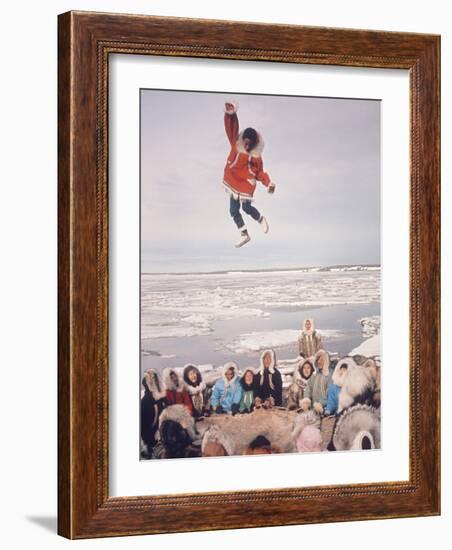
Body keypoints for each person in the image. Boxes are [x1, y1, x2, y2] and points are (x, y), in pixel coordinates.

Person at [223, 100, 276, 248]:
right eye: (245, 143)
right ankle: (244, 234)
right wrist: (231, 114)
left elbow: (259, 173)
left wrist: (268, 183)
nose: (246, 147)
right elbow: (231, 128)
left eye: (249, 145)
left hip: (246, 183)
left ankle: (260, 218)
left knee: (246, 208)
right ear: (242, 140)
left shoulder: (255, 157)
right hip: (233, 180)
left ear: (254, 144)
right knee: (233, 210)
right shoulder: (236, 144)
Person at [140, 369, 167, 456]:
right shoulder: (147, 401)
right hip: (153, 441)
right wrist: (152, 443)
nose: (156, 383)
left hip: (162, 435)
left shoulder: (161, 398)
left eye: (156, 380)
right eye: (153, 381)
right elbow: (145, 427)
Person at [305, 349, 332, 414]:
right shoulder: (314, 375)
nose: (319, 362)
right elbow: (308, 388)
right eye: (318, 360)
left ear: (326, 361)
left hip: (324, 410)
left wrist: (321, 404)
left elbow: (330, 394)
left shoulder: (329, 376)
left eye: (322, 360)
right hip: (313, 409)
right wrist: (306, 400)